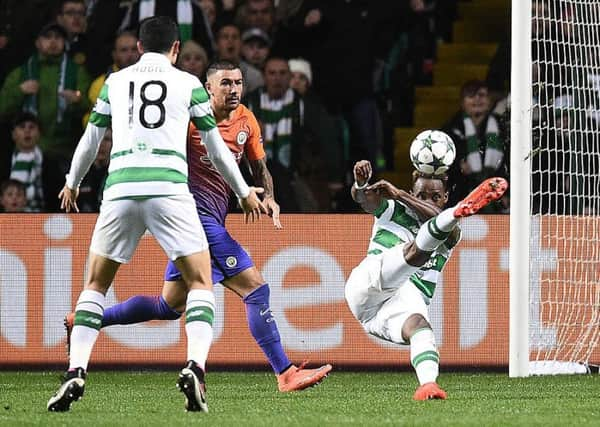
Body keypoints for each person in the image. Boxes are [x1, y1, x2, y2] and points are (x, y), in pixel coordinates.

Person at [65, 60, 333, 392]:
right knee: (255, 289)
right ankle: (285, 372)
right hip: (193, 219)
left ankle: (88, 319)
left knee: (169, 306)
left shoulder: (246, 119)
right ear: (208, 88)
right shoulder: (187, 121)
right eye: (225, 84)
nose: (234, 89)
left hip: (204, 223)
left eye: (237, 83)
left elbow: (259, 166)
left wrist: (272, 197)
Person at [46, 16, 266, 413]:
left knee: (94, 286)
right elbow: (216, 149)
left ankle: (76, 370)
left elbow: (91, 138)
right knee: (200, 282)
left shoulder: (115, 81)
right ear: (176, 49)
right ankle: (195, 367)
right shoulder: (188, 84)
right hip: (169, 187)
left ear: (138, 48)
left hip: (121, 187)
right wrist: (243, 191)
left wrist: (72, 182)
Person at [344, 159, 507, 400]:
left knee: (420, 327)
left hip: (400, 303)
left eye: (435, 197)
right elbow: (363, 199)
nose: (427, 200)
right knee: (415, 253)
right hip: (369, 285)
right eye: (421, 194)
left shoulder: (453, 231)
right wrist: (361, 183)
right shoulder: (392, 210)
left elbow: (437, 221)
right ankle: (459, 209)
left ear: (445, 197)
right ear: (412, 193)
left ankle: (428, 386)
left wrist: (400, 194)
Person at [0, 22, 91, 169]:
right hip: (29, 151)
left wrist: (78, 101)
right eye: (47, 37)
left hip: (66, 152)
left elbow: (92, 109)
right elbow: (2, 109)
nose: (53, 41)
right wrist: (20, 92)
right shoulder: (20, 73)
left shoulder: (78, 72)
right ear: (37, 42)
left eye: (58, 37)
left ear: (65, 42)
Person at [442, 80, 509, 211]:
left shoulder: (502, 128)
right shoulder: (450, 129)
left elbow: (508, 161)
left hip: (497, 195)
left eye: (482, 95)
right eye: (471, 95)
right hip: (460, 195)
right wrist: (459, 165)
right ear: (462, 102)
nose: (477, 99)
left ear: (490, 101)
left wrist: (507, 192)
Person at [0, 112, 63, 212]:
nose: (27, 131)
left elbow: (58, 199)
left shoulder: (50, 164)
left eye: (32, 127)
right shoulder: (3, 162)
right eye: (22, 127)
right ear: (13, 134)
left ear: (39, 134)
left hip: (44, 220)